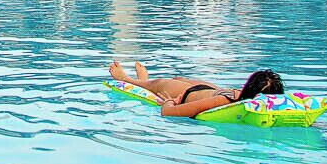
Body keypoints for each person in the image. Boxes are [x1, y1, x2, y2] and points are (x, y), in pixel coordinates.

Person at [108, 61, 284, 118]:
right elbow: (169, 112)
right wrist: (168, 101)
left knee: (174, 80)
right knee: (164, 83)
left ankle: (143, 80)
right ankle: (128, 79)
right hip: (202, 93)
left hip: (209, 90)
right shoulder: (225, 101)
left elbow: (169, 111)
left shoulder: (280, 105)